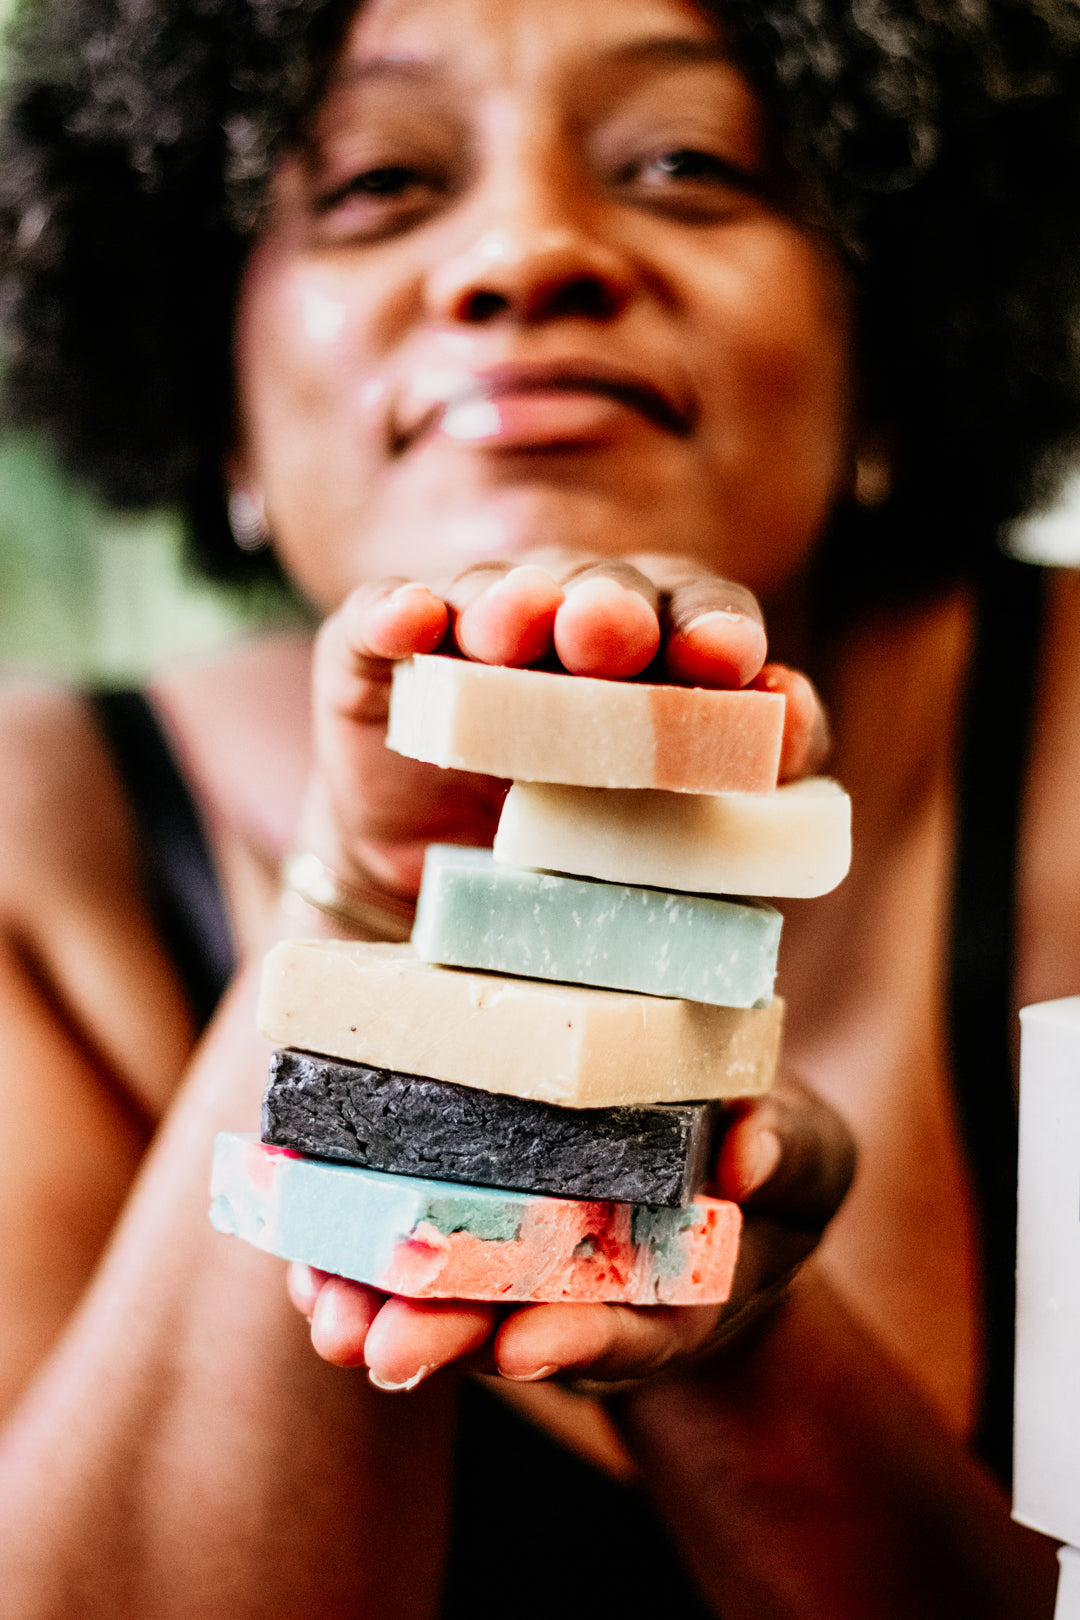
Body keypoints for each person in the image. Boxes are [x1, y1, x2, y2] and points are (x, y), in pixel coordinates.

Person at [0, 0, 1079, 1612]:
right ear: (213, 392)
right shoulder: (42, 842)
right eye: (374, 185)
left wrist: (736, 1334)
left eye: (684, 161)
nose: (525, 252)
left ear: (891, 333)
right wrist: (372, 917)